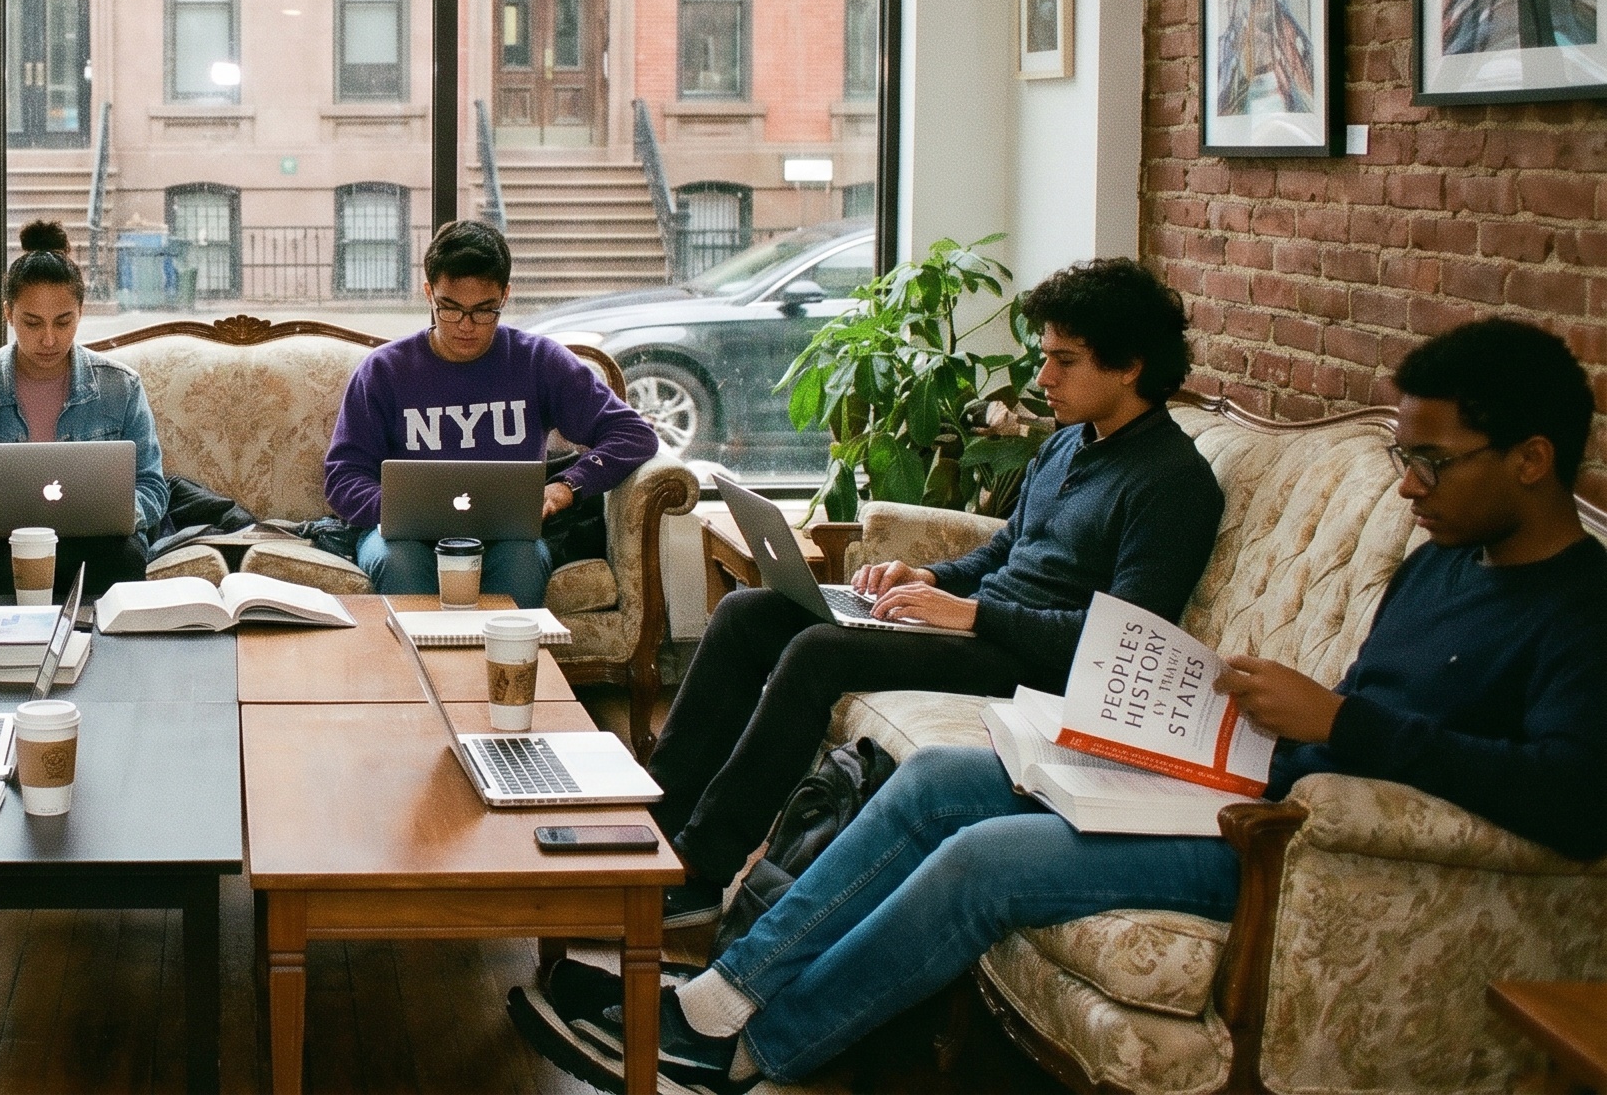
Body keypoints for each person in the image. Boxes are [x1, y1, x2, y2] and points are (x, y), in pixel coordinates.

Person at [631, 318, 1607, 1092]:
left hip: (1298, 852)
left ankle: (769, 1050)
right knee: (937, 780)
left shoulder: (1582, 611)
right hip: (1249, 784)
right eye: (1403, 456)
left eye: (1432, 461)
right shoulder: (1442, 561)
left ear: (1529, 458)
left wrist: (1337, 722)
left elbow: (1573, 799)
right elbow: (1370, 708)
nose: (1407, 487)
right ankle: (722, 995)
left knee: (984, 858)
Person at [645, 256, 1226, 927]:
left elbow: (1122, 642)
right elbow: (1007, 551)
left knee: (819, 651)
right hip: (984, 631)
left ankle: (702, 867)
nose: (1044, 378)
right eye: (1046, 357)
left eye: (1065, 361)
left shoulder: (1172, 483)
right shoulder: (1069, 445)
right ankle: (653, 833)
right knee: (749, 613)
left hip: (1037, 668)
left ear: (1130, 366)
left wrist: (972, 614)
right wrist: (929, 578)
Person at [322, 220, 659, 609]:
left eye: (484, 311)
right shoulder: (384, 371)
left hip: (509, 537)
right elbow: (342, 476)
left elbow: (634, 435)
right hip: (404, 538)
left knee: (523, 563)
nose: (466, 326)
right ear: (429, 293)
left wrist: (564, 488)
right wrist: (402, 510)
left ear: (505, 295)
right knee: (399, 562)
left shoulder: (537, 361)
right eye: (450, 309)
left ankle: (506, 653)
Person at [0, 220, 166, 596]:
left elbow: (152, 488)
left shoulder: (121, 387)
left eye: (63, 322)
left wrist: (114, 514)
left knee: (123, 558)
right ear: (8, 313)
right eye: (32, 323)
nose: (49, 339)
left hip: (95, 544)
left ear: (81, 311)